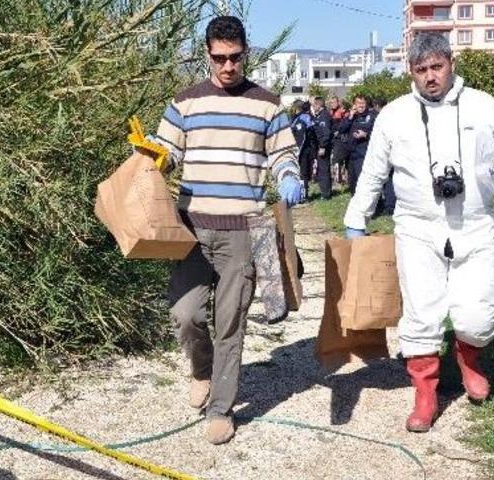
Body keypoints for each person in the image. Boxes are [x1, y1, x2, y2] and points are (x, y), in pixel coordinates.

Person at [341, 33, 494, 432]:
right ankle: (425, 394)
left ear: (451, 63)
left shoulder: (484, 107)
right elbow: (372, 172)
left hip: (475, 227)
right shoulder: (394, 115)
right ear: (411, 72)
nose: (430, 77)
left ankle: (469, 359)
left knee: (478, 316)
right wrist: (357, 218)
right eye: (421, 70)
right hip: (418, 229)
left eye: (437, 67)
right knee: (421, 313)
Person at [149, 15, 303, 445]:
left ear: (246, 53)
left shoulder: (268, 104)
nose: (228, 66)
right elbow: (167, 151)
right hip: (191, 229)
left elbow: (283, 155)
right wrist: (156, 158)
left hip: (243, 230)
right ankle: (201, 369)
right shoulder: (184, 103)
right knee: (187, 314)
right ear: (207, 55)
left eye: (235, 58)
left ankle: (221, 407)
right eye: (219, 58)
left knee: (230, 322)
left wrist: (289, 175)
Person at [338, 94, 374, 195]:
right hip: (351, 154)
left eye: (363, 103)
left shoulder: (371, 116)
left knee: (363, 181)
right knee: (352, 181)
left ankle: (370, 204)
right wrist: (350, 117)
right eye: (358, 103)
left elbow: (379, 134)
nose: (361, 105)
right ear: (354, 104)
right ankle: (355, 201)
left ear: (366, 104)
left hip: (363, 154)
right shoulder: (351, 116)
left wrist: (366, 135)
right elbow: (341, 129)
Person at [371, 97, 396, 216]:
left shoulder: (381, 118)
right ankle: (387, 204)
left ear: (376, 106)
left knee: (385, 179)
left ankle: (388, 205)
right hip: (391, 151)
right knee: (388, 180)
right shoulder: (393, 115)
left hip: (385, 151)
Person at [291, 99, 318, 200]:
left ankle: (303, 195)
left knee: (303, 173)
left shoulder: (304, 118)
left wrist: (298, 152)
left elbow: (305, 137)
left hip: (303, 151)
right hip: (299, 150)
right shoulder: (296, 118)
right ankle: (298, 194)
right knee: (298, 173)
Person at [311, 97, 333, 199]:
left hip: (323, 147)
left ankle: (326, 194)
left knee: (324, 170)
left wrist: (323, 146)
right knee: (321, 169)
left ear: (318, 105)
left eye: (314, 105)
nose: (313, 107)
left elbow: (326, 133)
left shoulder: (324, 116)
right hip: (318, 147)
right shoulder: (319, 116)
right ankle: (324, 192)